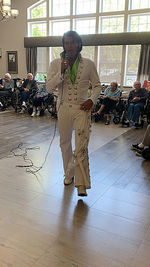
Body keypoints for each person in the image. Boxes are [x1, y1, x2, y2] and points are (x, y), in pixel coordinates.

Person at [46, 30, 101, 197]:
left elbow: (98, 86)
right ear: (63, 45)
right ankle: (69, 173)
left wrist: (92, 99)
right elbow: (49, 88)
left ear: (79, 44)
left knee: (81, 144)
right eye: (66, 43)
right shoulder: (56, 63)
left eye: (72, 42)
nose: (69, 46)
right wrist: (60, 73)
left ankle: (82, 184)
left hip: (82, 108)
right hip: (63, 107)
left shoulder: (89, 63)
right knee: (65, 143)